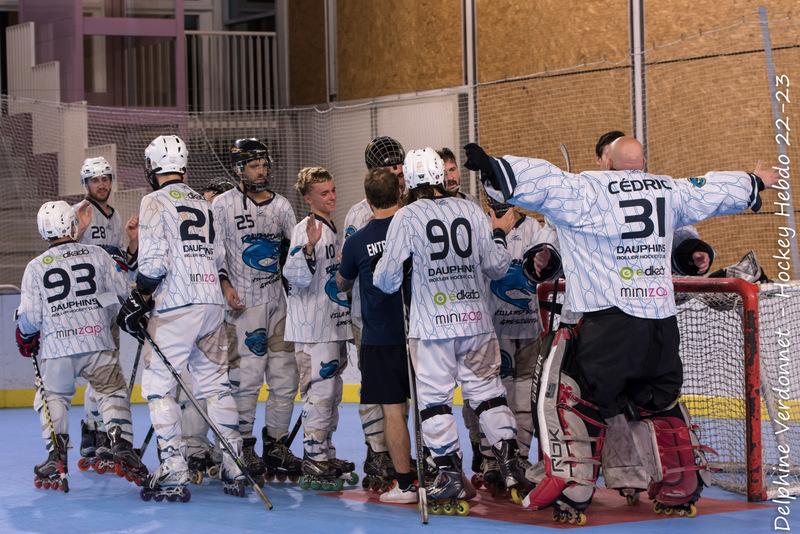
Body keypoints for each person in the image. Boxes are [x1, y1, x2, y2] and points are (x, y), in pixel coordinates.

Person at [464, 137, 779, 522]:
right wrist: (753, 181)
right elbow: (709, 190)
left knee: (572, 398)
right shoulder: (667, 189)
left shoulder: (586, 189)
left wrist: (494, 168)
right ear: (642, 163)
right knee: (659, 402)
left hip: (607, 322)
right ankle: (680, 486)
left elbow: (540, 180)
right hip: (660, 326)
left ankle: (574, 488)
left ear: (606, 161)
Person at [374, 147, 531, 512]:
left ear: (409, 180)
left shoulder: (407, 216)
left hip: (432, 328)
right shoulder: (470, 210)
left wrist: (401, 265)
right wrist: (498, 235)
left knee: (434, 402)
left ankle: (448, 474)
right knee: (489, 394)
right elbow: (496, 267)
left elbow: (385, 280)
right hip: (476, 323)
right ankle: (511, 463)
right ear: (439, 176)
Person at [116, 135, 245, 502]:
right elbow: (217, 257)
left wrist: (139, 296)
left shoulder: (154, 201)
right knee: (216, 385)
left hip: (175, 306)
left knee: (159, 386)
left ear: (151, 167)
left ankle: (173, 466)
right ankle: (234, 462)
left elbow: (153, 262)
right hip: (211, 302)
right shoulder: (205, 203)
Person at [17, 201, 147, 491]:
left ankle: (56, 456)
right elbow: (122, 290)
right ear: (72, 225)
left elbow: (30, 318)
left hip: (57, 346)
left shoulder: (35, 267)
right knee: (111, 391)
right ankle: (122, 446)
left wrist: (25, 336)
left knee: (53, 397)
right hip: (97, 340)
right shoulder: (98, 254)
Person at [212, 138, 300, 482]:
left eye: (264, 165)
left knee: (285, 378)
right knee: (246, 380)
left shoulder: (283, 207)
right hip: (242, 308)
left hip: (277, 305)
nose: (261, 171)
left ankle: (276, 444)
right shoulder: (222, 206)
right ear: (239, 169)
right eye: (254, 166)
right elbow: (215, 252)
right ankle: (244, 445)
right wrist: (225, 287)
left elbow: (294, 255)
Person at [465, 203, 560, 496]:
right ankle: (490, 458)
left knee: (524, 398)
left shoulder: (534, 228)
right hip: (493, 331)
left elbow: (549, 271)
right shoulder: (478, 226)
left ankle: (518, 457)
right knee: (493, 397)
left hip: (530, 330)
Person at [337, 167, 415, 503]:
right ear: (400, 193)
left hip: (380, 337)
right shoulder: (415, 228)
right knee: (434, 407)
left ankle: (405, 484)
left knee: (392, 410)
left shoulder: (357, 241)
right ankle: (445, 473)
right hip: (420, 332)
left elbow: (342, 282)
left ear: (368, 201)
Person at [284, 166, 355, 490]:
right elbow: (293, 276)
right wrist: (309, 249)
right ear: (308, 198)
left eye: (333, 190)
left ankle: (325, 452)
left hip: (332, 324)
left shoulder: (331, 228)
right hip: (312, 329)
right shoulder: (306, 229)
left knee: (333, 392)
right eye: (324, 193)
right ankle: (313, 456)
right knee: (320, 393)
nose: (331, 197)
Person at [72, 156, 139, 467]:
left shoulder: (114, 214)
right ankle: (97, 433)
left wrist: (132, 243)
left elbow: (121, 262)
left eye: (105, 178)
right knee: (103, 369)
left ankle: (92, 431)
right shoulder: (78, 212)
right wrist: (78, 232)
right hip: (87, 305)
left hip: (110, 303)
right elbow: (61, 252)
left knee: (105, 369)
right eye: (95, 179)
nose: (101, 184)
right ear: (85, 183)